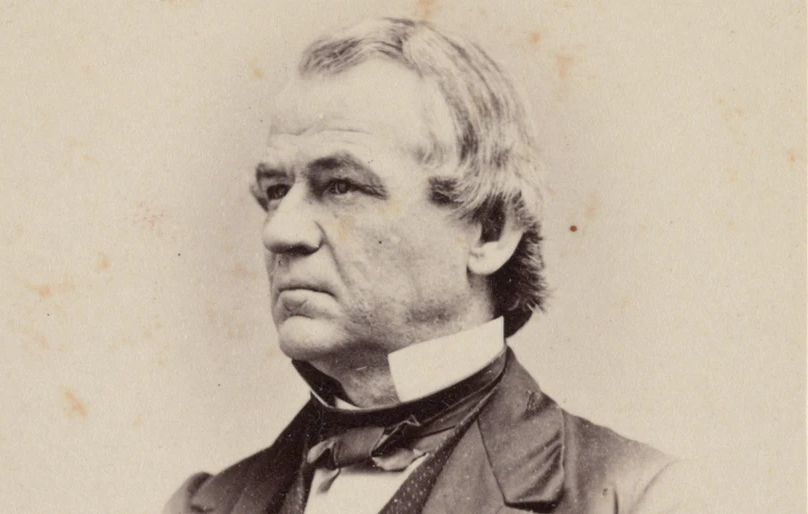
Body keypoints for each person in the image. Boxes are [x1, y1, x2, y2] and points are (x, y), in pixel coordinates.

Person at [164, 17, 695, 514]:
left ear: (488, 231)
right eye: (277, 190)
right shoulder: (203, 504)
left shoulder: (636, 496)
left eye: (341, 186)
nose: (279, 231)